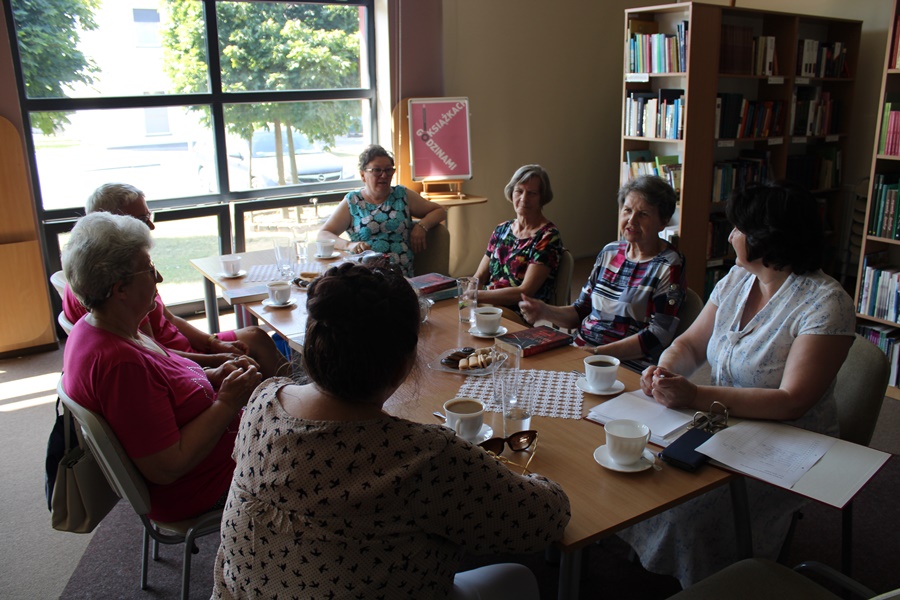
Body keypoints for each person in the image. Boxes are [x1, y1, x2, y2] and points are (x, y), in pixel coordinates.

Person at [212, 262, 570, 600]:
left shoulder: (262, 402)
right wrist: (531, 478)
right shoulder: (420, 455)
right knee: (518, 577)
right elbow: (544, 521)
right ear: (404, 360)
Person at [618, 181, 856, 588]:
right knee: (641, 473)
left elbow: (791, 402)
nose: (729, 236)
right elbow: (691, 343)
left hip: (788, 442)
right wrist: (666, 368)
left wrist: (695, 394)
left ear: (767, 238)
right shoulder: (735, 279)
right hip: (722, 422)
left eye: (738, 228)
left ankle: (719, 585)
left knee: (682, 511)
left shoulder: (825, 303)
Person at [61, 212, 263, 522]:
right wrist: (228, 401)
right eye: (150, 269)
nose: (159, 279)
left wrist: (213, 375)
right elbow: (167, 467)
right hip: (204, 488)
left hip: (222, 458)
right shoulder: (120, 365)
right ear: (120, 289)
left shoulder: (111, 328)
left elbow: (166, 388)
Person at [62, 183, 289, 379]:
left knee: (256, 336)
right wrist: (214, 362)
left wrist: (212, 343)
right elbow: (155, 355)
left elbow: (167, 319)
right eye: (141, 220)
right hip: (178, 360)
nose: (150, 227)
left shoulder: (114, 274)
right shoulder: (122, 289)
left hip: (179, 351)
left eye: (149, 217)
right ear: (111, 223)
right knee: (258, 345)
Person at [520, 175, 685, 363]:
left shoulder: (669, 266)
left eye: (643, 214)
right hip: (582, 353)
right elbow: (581, 311)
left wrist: (597, 354)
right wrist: (544, 311)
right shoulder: (610, 252)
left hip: (624, 365)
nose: (632, 220)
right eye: (627, 210)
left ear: (663, 222)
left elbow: (658, 336)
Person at [318, 144, 447, 276]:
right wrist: (349, 245)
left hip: (400, 276)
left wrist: (421, 226)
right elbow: (324, 234)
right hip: (365, 277)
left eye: (388, 170)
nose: (384, 175)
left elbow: (440, 211)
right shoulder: (353, 201)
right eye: (377, 170)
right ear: (363, 175)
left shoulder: (402, 195)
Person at [472, 164, 564, 316]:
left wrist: (475, 296)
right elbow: (479, 277)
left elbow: (524, 292)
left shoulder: (547, 236)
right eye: (519, 191)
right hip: (487, 306)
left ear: (542, 198)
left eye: (532, 193)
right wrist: (467, 294)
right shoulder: (501, 229)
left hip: (518, 313)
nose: (523, 199)